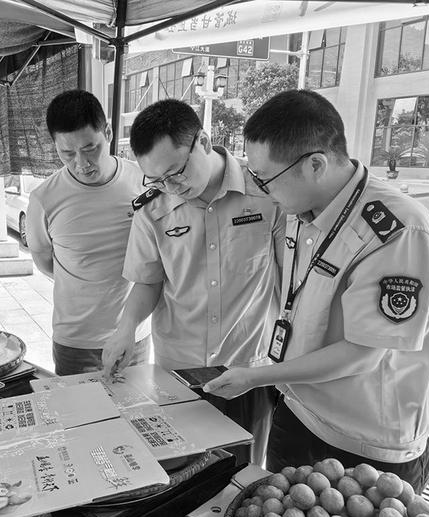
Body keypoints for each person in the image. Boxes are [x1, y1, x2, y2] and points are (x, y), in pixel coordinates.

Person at [204, 90, 429, 492]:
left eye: (266, 178)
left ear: (315, 164)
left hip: (366, 445)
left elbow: (361, 352)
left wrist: (258, 376)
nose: (261, 188)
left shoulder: (397, 229)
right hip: (299, 412)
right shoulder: (301, 205)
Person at [102, 98, 285, 464]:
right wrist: (125, 329)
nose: (171, 186)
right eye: (158, 179)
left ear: (202, 142)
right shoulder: (153, 208)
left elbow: (291, 279)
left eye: (177, 172)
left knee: (241, 478)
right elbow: (148, 281)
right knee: (184, 477)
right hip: (179, 372)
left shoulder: (267, 194)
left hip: (247, 368)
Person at [26, 89, 151, 376]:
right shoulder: (45, 199)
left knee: (137, 416)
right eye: (67, 153)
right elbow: (44, 258)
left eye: (90, 148)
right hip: (76, 342)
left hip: (136, 334)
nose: (82, 164)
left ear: (107, 131)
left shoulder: (142, 181)